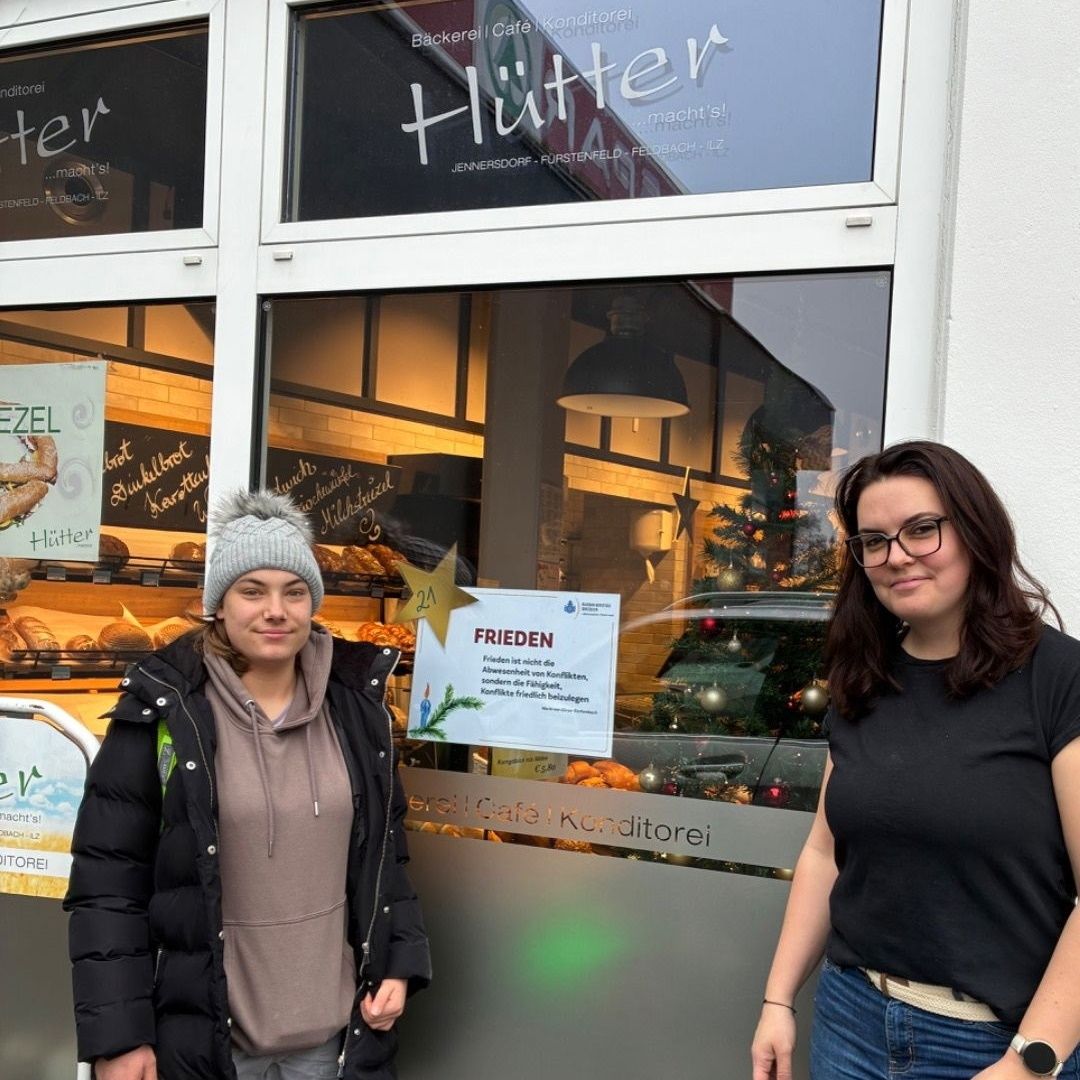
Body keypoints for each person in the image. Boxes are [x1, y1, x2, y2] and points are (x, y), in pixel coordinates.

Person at [64, 490, 431, 1080]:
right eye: (252, 590)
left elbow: (387, 853)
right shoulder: (163, 713)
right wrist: (119, 1038)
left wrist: (398, 959)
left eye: (294, 591)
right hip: (207, 1038)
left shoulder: (357, 709)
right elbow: (108, 886)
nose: (275, 610)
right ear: (218, 604)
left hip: (334, 1037)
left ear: (313, 602)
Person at [751, 441, 1080, 1080]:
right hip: (852, 1022)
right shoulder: (866, 676)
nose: (895, 556)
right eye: (873, 541)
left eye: (921, 530)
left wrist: (1031, 1062)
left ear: (976, 531)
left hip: (999, 1047)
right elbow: (825, 849)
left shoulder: (1058, 678)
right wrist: (778, 999)